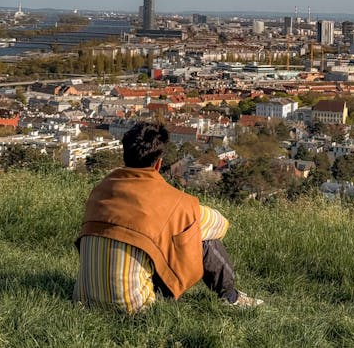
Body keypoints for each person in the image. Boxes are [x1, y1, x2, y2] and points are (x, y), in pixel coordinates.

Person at [73, 121, 263, 312]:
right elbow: (220, 224)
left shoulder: (100, 190)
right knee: (201, 234)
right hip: (135, 307)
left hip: (83, 299)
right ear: (158, 163)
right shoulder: (172, 201)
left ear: (125, 156)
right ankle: (231, 298)